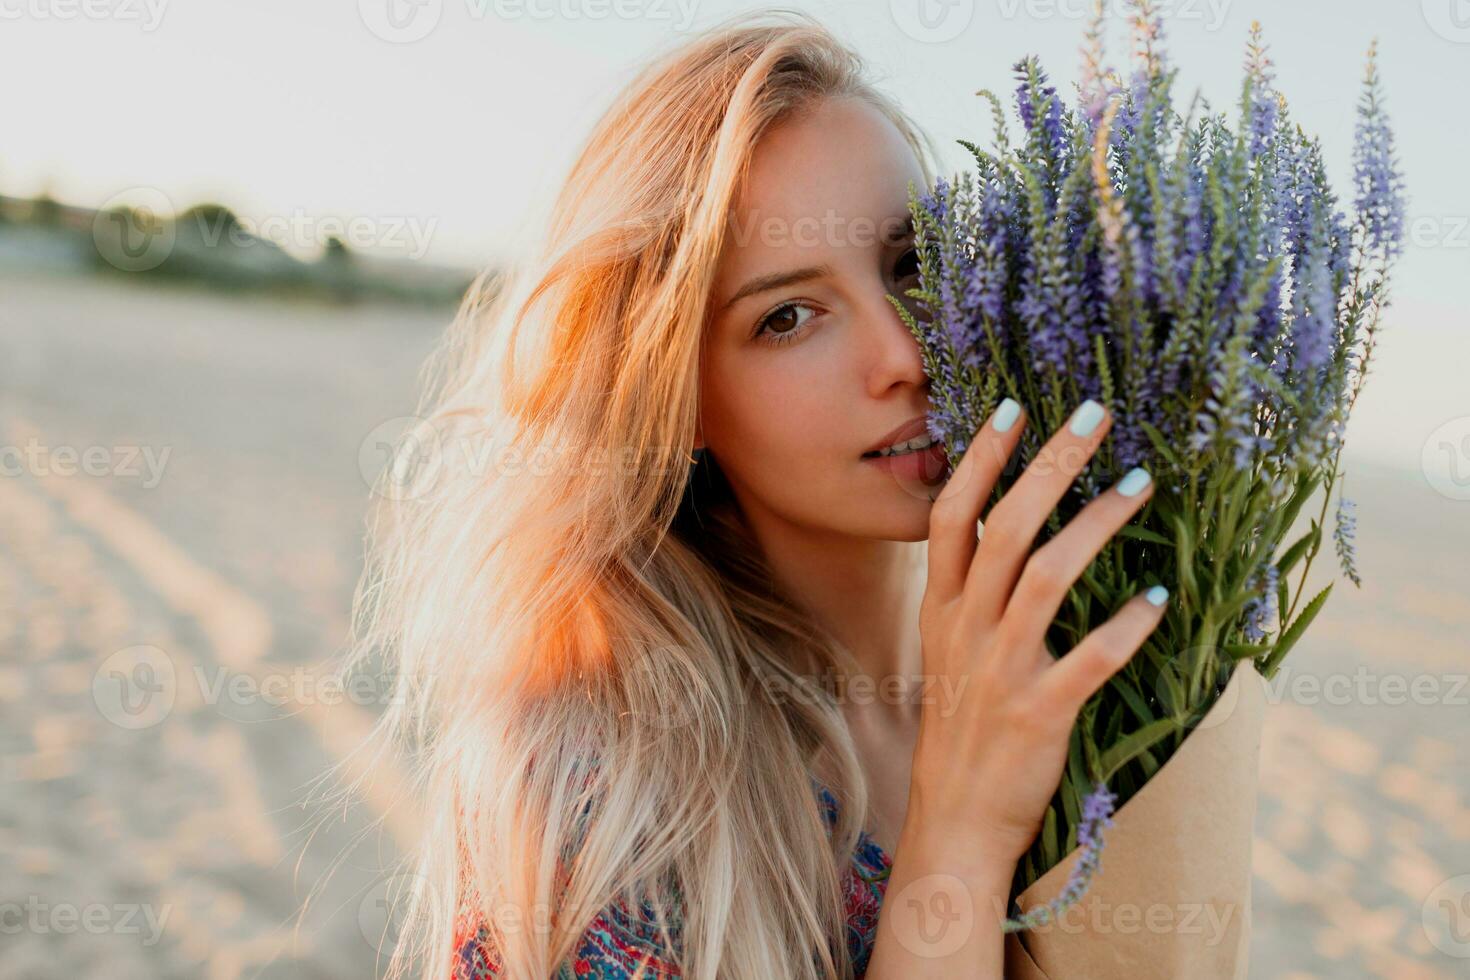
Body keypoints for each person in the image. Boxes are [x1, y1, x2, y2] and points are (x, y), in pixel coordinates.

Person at [346, 9, 1164, 979]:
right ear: (673, 388)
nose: (903, 354)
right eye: (788, 316)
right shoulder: (609, 797)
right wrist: (964, 830)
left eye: (911, 264)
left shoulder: (1065, 683)